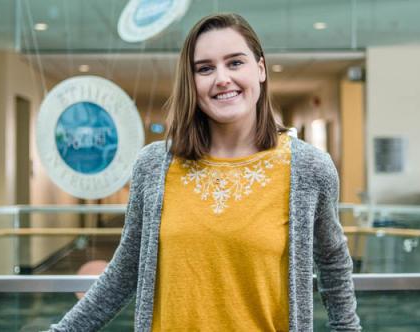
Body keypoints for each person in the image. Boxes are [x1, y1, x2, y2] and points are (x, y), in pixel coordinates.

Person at [49, 13, 360, 331]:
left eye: (235, 62)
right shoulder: (154, 166)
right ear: (191, 81)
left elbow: (333, 263)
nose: (222, 78)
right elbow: (124, 272)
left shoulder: (308, 169)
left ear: (261, 69)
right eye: (205, 68)